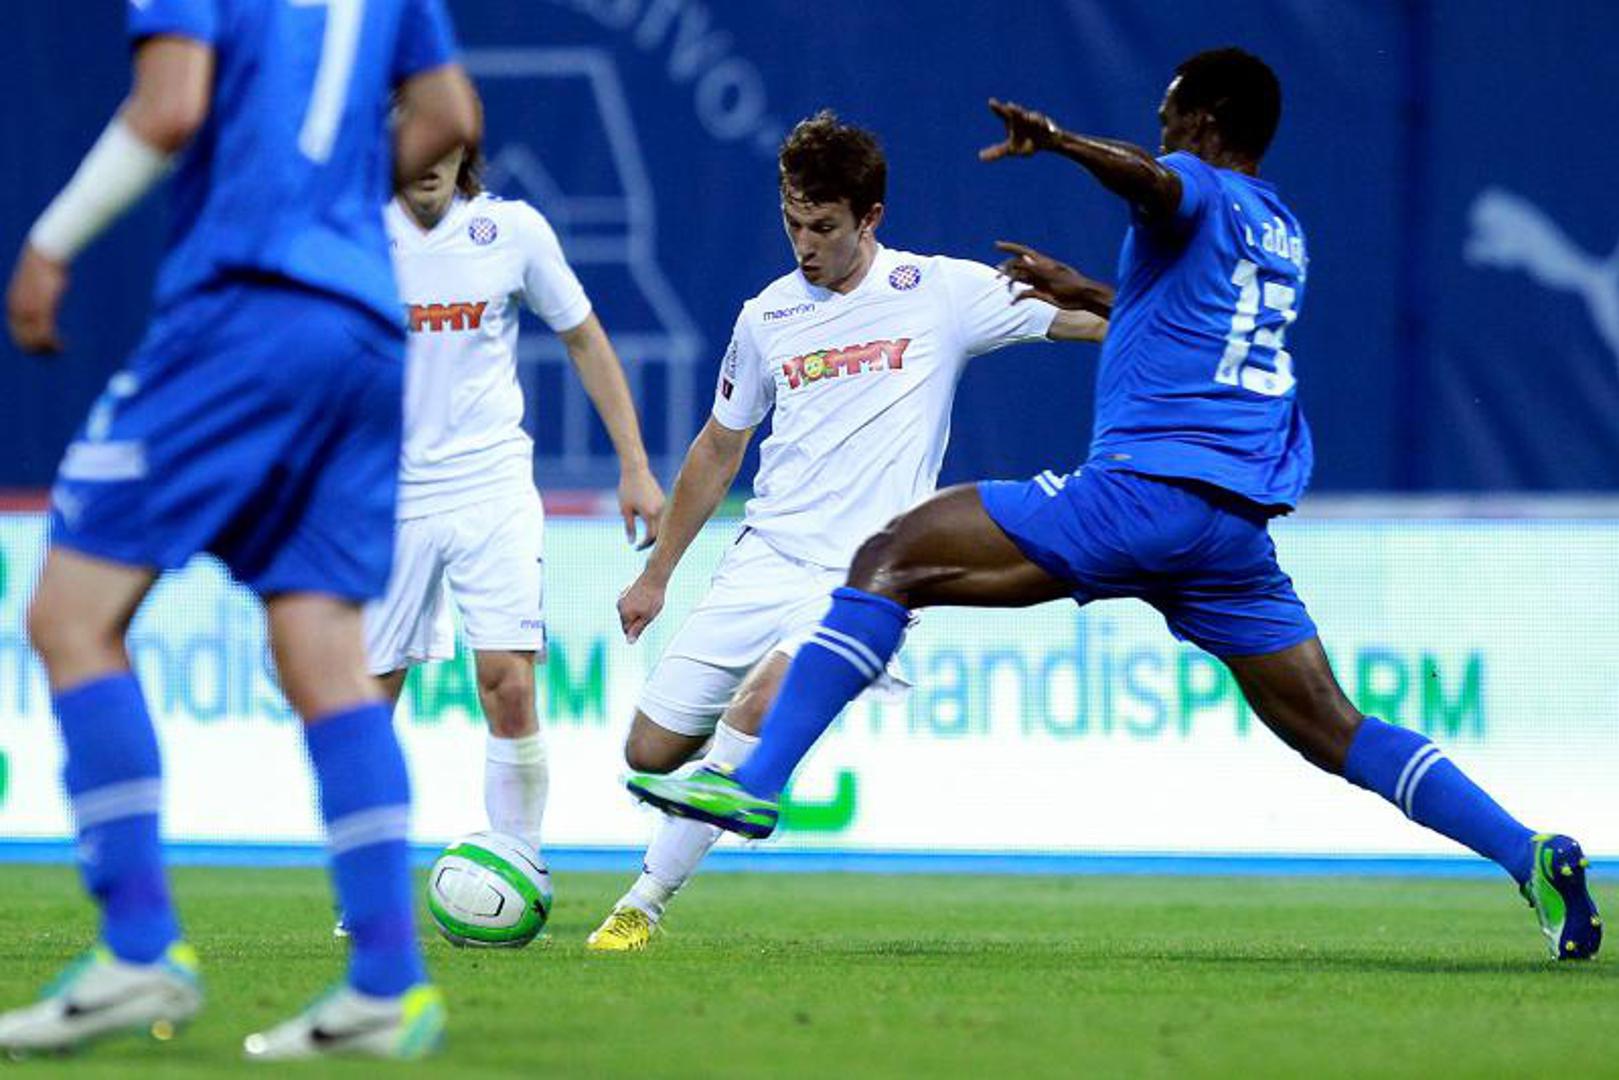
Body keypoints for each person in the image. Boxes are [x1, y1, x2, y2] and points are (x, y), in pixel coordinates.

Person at [626, 49, 1602, 962]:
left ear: (1206, 125)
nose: (1160, 129)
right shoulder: (1278, 231)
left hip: (1142, 494)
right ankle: (1527, 853)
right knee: (1331, 725)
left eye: (1170, 115)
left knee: (890, 557)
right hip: (1231, 527)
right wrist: (1084, 286)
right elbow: (1172, 316)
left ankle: (755, 783)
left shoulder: (1191, 185)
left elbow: (1154, 183)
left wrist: (1059, 143)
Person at [0, 0, 480, 1061]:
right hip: (366, 329)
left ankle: (137, 946)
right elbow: (450, 114)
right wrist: (341, 195)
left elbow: (170, 106)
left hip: (245, 308)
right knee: (324, 655)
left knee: (69, 617)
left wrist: (48, 242)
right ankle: (385, 983)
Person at [586, 111, 1106, 951]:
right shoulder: (766, 317)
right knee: (649, 751)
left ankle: (639, 906)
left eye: (823, 227)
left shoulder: (940, 292)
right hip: (764, 560)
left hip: (865, 580)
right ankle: (732, 772)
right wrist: (657, 576)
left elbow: (1091, 324)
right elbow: (719, 447)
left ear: (870, 218)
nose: (804, 244)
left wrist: (1171, 313)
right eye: (792, 223)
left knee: (761, 705)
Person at [361, 140, 664, 878]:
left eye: (442, 139)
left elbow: (584, 337)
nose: (427, 156)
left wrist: (633, 464)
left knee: (509, 681)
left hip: (490, 487)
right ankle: (366, 890)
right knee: (366, 701)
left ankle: (519, 865)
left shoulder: (513, 231)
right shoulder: (355, 231)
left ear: (463, 145)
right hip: (385, 496)